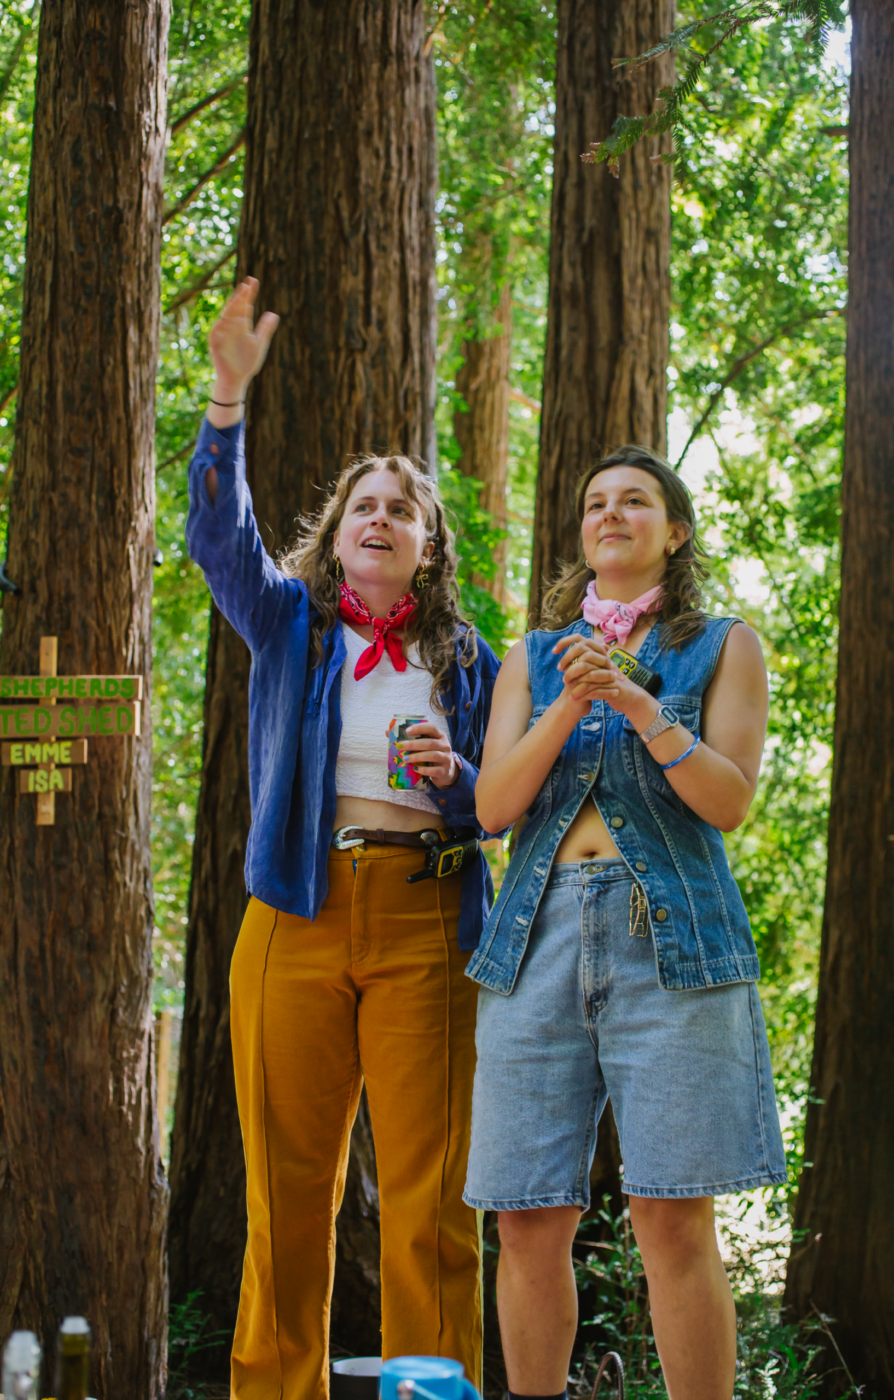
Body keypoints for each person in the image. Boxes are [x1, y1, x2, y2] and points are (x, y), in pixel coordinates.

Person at [185, 279, 500, 1399]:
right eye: (363, 503)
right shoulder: (289, 620)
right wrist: (228, 403)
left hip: (428, 921)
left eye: (400, 508)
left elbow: (508, 796)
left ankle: (434, 1391)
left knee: (430, 1202)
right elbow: (217, 539)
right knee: (288, 1194)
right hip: (295, 916)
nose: (379, 517)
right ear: (336, 529)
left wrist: (458, 779)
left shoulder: (473, 662)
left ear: (427, 543)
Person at [464, 446, 786, 1400]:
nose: (611, 514)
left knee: (670, 1216)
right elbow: (492, 808)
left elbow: (727, 801)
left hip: (674, 938)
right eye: (596, 502)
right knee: (523, 1216)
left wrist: (642, 705)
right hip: (537, 938)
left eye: (635, 501)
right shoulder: (532, 654)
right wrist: (571, 699)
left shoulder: (726, 644)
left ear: (672, 531)